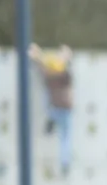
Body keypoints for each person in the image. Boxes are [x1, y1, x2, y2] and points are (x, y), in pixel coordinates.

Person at [27, 44, 73, 175]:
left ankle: (51, 121)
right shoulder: (64, 75)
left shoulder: (49, 75)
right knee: (65, 136)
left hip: (55, 107)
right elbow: (67, 69)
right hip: (64, 107)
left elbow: (41, 66)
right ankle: (64, 162)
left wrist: (36, 56)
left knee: (46, 100)